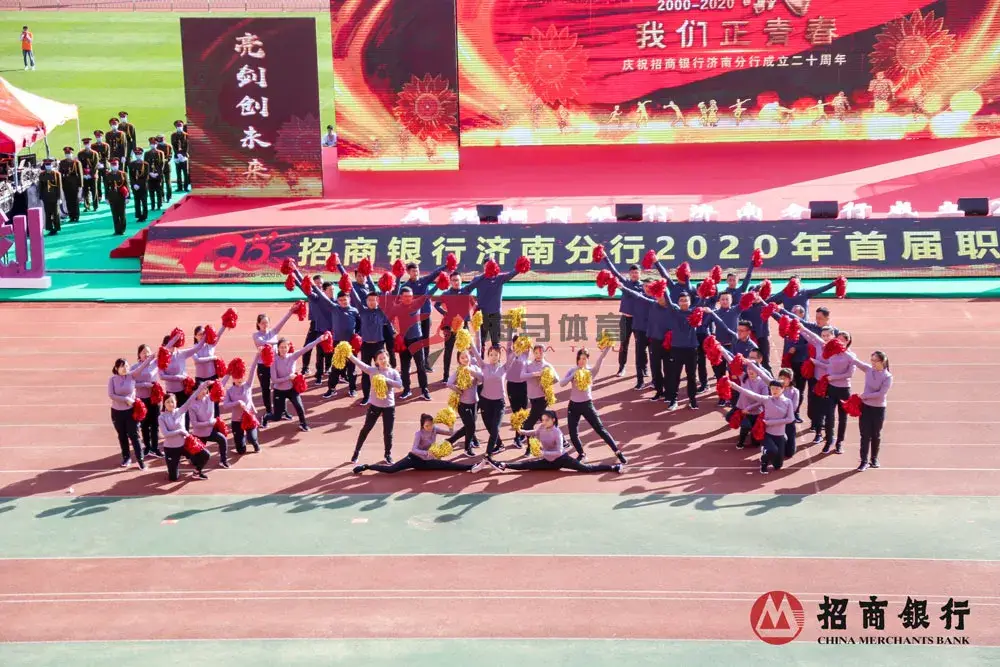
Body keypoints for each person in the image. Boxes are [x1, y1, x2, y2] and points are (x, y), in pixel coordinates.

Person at [353, 414, 489, 474]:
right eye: (427, 425)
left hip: (428, 461)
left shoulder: (435, 429)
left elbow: (450, 434)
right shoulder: (418, 434)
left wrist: (450, 424)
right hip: (414, 459)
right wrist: (426, 452)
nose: (430, 427)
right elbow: (414, 449)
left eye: (431, 424)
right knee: (391, 470)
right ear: (422, 425)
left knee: (448, 465)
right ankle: (367, 466)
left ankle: (472, 466)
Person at [560, 347, 627, 463]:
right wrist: (573, 375)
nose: (581, 361)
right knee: (572, 433)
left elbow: (601, 358)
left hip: (587, 405)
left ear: (587, 359)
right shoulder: (572, 370)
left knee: (600, 429)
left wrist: (608, 346)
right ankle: (581, 453)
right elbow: (562, 383)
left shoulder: (591, 371)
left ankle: (617, 452)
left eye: (584, 359)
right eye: (580, 358)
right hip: (573, 406)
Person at [500, 411, 624, 473]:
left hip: (562, 459)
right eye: (543, 420)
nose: (544, 422)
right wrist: (521, 431)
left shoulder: (557, 432)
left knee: (586, 469)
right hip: (548, 461)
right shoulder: (542, 427)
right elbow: (535, 432)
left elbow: (559, 451)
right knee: (528, 465)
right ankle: (505, 465)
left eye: (547, 420)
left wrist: (543, 453)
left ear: (553, 420)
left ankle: (613, 467)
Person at [617, 280, 673, 400]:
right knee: (645, 359)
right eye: (645, 286)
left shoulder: (665, 304)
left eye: (649, 286)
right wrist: (622, 287)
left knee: (664, 365)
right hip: (644, 333)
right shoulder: (646, 300)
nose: (647, 288)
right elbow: (634, 294)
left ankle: (664, 388)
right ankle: (644, 383)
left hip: (660, 337)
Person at [728, 379, 796, 474]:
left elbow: (790, 419)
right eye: (772, 388)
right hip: (767, 433)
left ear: (783, 389)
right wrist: (734, 385)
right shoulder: (766, 399)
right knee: (772, 450)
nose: (774, 391)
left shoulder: (788, 402)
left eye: (777, 388)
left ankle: (767, 451)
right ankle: (764, 463)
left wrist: (771, 422)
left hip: (780, 435)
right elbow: (750, 393)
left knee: (778, 465)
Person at [599, 255, 648, 386]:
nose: (634, 274)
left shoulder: (644, 287)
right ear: (629, 274)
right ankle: (621, 367)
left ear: (640, 273)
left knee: (641, 346)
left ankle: (644, 367)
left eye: (636, 272)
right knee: (623, 344)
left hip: (638, 321)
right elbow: (614, 271)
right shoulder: (625, 282)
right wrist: (605, 257)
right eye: (632, 272)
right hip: (625, 319)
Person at [348, 349, 403, 463]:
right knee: (366, 429)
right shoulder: (372, 370)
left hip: (389, 406)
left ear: (388, 358)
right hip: (374, 406)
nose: (383, 360)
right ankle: (357, 451)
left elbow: (399, 385)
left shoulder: (393, 372)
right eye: (380, 359)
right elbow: (360, 364)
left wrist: (385, 379)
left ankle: (388, 454)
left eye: (384, 358)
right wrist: (350, 355)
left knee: (388, 433)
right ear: (376, 361)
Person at [469, 334, 518, 458]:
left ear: (499, 356)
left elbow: (513, 355)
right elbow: (476, 353)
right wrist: (470, 341)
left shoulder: (504, 368)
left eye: (496, 355)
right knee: (490, 427)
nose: (494, 357)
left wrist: (517, 346)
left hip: (499, 403)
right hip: (485, 401)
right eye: (491, 354)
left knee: (495, 427)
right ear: (488, 356)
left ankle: (488, 453)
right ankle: (500, 444)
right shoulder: (483, 366)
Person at [397, 261, 447, 373]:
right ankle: (407, 364)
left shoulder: (424, 280)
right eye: (413, 271)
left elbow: (435, 273)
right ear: (408, 272)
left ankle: (425, 364)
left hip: (425, 315)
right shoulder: (404, 287)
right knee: (410, 340)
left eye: (417, 270)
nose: (416, 273)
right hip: (411, 318)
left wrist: (446, 265)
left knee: (425, 340)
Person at [350, 282, 395, 405]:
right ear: (366, 301)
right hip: (365, 346)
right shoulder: (362, 310)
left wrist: (389, 287)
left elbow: (388, 299)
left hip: (378, 346)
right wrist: (346, 277)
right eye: (369, 300)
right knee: (366, 372)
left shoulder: (381, 311)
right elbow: (354, 295)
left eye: (374, 300)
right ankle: (366, 396)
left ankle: (382, 394)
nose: (371, 302)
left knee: (382, 371)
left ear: (377, 301)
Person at [265, 336, 323, 431]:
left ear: (288, 347)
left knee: (299, 407)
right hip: (279, 391)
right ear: (278, 348)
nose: (283, 349)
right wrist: (289, 377)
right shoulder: (274, 361)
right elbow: (274, 380)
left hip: (292, 389)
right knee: (277, 417)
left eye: (285, 347)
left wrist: (319, 339)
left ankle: (303, 424)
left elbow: (307, 348)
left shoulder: (292, 356)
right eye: (281, 347)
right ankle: (266, 417)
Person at [460, 259, 521, 347]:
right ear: (483, 267)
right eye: (487, 266)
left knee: (496, 343)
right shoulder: (478, 279)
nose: (489, 267)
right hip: (482, 315)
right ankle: (480, 355)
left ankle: (496, 355)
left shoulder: (500, 278)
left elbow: (512, 273)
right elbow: (465, 291)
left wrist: (520, 266)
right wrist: (473, 303)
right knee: (481, 342)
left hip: (495, 314)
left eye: (491, 265)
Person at [108, 356, 154, 469]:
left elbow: (142, 366)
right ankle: (126, 457)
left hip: (130, 412)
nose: (125, 368)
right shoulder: (112, 379)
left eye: (127, 366)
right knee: (122, 435)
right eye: (122, 366)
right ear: (116, 368)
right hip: (117, 412)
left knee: (134, 435)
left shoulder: (132, 375)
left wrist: (151, 357)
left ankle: (140, 460)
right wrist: (125, 399)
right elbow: (111, 395)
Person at [850, 350, 893, 471]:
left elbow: (881, 394)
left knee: (875, 434)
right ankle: (863, 461)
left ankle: (874, 458)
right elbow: (856, 362)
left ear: (882, 361)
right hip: (865, 407)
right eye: (872, 360)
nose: (873, 363)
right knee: (864, 435)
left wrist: (864, 396)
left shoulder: (887, 377)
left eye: (875, 361)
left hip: (878, 409)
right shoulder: (869, 370)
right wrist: (843, 350)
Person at [252, 306, 295, 419]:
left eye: (267, 322)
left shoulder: (273, 332)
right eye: (262, 323)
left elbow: (282, 322)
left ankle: (283, 411)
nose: (265, 325)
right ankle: (268, 410)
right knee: (266, 389)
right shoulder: (256, 335)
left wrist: (290, 312)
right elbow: (265, 343)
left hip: (275, 364)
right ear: (258, 324)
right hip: (263, 366)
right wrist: (280, 343)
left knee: (281, 386)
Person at [159, 390, 211, 481]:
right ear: (164, 404)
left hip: (184, 445)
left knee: (205, 454)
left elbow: (192, 398)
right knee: (173, 478)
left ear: (176, 402)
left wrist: (204, 385)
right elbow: (166, 434)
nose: (170, 404)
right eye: (167, 402)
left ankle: (197, 472)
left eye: (172, 401)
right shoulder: (161, 417)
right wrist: (180, 431)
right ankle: (172, 468)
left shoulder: (181, 411)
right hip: (171, 449)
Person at [433, 272, 472, 383]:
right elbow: (436, 305)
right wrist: (445, 313)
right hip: (450, 327)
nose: (456, 282)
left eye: (457, 280)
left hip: (463, 327)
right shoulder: (446, 294)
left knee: (464, 352)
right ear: (450, 281)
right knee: (448, 351)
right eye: (454, 280)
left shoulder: (465, 292)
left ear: (461, 280)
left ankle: (464, 374)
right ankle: (445, 376)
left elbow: (473, 304)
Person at [396, 287, 433, 400]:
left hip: (417, 341)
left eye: (410, 296)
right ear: (401, 297)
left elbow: (428, 293)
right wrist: (394, 334)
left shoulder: (417, 304)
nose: (408, 298)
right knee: (404, 368)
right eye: (406, 296)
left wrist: (440, 281)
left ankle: (424, 390)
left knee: (421, 367)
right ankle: (406, 390)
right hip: (404, 341)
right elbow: (389, 320)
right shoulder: (397, 308)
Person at [446, 348, 484, 456]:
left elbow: (482, 379)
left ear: (470, 357)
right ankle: (467, 448)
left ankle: (450, 440)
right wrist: (458, 390)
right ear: (458, 359)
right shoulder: (458, 371)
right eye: (462, 357)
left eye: (466, 357)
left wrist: (471, 371)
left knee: (469, 426)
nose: (465, 359)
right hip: (463, 404)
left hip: (474, 403)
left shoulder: (474, 368)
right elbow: (449, 383)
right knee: (471, 426)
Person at [222, 355, 262, 455]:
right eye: (236, 377)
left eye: (241, 377)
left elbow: (253, 369)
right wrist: (237, 402)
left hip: (249, 418)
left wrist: (258, 355)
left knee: (251, 438)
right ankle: (241, 441)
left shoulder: (248, 385)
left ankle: (255, 443)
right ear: (233, 378)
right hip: (236, 420)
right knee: (240, 450)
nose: (239, 379)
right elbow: (225, 405)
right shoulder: (229, 391)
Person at [188, 379, 231, 468]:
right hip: (199, 434)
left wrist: (215, 382)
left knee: (222, 439)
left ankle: (223, 461)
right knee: (195, 461)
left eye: (205, 388)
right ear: (195, 391)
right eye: (201, 389)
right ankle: (191, 456)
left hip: (210, 431)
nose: (204, 391)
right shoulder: (192, 405)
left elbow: (221, 384)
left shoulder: (210, 398)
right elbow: (195, 424)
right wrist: (209, 423)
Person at [132, 344, 164, 459]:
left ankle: (155, 448)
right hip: (142, 400)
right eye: (144, 352)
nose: (146, 354)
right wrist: (145, 385)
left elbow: (164, 352)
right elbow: (132, 383)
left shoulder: (155, 363)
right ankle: (147, 447)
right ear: (139, 355)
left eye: (148, 352)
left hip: (154, 399)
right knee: (144, 425)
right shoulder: (135, 367)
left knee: (155, 424)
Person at [520, 344, 557, 434]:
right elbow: (522, 376)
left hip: (542, 398)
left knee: (528, 424)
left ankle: (531, 444)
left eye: (540, 353)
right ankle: (560, 439)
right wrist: (536, 374)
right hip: (532, 397)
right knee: (546, 420)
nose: (538, 355)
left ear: (544, 353)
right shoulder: (528, 364)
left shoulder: (547, 366)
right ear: (533, 353)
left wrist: (546, 382)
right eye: (536, 353)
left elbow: (556, 379)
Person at [767, 276, 838, 314]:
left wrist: (833, 284)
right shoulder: (783, 294)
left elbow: (819, 290)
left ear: (800, 284)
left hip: (804, 324)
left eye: (797, 283)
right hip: (789, 324)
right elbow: (768, 302)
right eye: (793, 283)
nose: (795, 285)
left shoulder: (805, 292)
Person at [300, 274, 325, 379]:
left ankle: (325, 369)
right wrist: (294, 271)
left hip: (325, 324)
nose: (319, 285)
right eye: (317, 283)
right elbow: (301, 283)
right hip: (314, 323)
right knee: (307, 346)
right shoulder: (310, 293)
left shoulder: (325, 294)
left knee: (323, 349)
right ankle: (305, 367)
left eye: (321, 283)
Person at [37, 158, 62, 236]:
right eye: (47, 165)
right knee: (47, 213)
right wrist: (40, 197)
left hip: (54, 196)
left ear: (52, 165)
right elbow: (40, 186)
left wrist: (59, 197)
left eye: (49, 164)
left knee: (55, 213)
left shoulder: (56, 174)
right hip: (46, 197)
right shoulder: (42, 175)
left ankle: (56, 228)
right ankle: (50, 228)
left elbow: (59, 186)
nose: (48, 166)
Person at [58, 146, 82, 222]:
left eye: (69, 153)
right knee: (68, 201)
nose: (68, 155)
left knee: (75, 201)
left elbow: (80, 175)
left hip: (74, 184)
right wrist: (61, 185)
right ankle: (71, 216)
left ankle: (76, 216)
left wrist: (80, 186)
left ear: (72, 154)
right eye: (66, 154)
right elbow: (60, 174)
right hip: (66, 185)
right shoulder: (62, 163)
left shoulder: (76, 163)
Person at [104, 159, 129, 235]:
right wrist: (106, 198)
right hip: (112, 196)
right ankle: (117, 230)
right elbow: (106, 187)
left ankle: (122, 230)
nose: (114, 166)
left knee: (122, 214)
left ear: (118, 165)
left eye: (115, 165)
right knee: (115, 215)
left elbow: (127, 186)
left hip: (121, 196)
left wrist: (127, 197)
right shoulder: (108, 175)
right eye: (112, 165)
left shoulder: (123, 174)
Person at [144, 136, 166, 212]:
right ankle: (152, 205)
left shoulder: (160, 153)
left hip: (158, 175)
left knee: (159, 191)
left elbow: (162, 164)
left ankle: (159, 204)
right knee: (151, 191)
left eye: (154, 144)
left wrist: (157, 173)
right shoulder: (146, 153)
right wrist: (149, 173)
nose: (153, 145)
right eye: (151, 144)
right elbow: (145, 164)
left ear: (157, 144)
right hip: (150, 175)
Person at [77, 138, 100, 212]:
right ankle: (87, 206)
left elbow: (95, 165)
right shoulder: (80, 154)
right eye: (85, 144)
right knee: (85, 191)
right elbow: (79, 165)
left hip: (93, 175)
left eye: (88, 143)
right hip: (84, 175)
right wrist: (83, 174)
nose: (87, 145)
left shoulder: (94, 153)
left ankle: (95, 206)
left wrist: (91, 174)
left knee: (94, 191)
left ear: (90, 144)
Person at [127, 148, 149, 223]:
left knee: (144, 201)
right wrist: (134, 184)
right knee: (137, 202)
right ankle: (138, 215)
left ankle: (144, 216)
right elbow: (131, 176)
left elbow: (146, 176)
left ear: (142, 154)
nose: (138, 155)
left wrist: (139, 184)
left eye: (139, 154)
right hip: (135, 186)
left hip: (143, 186)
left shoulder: (145, 164)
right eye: (136, 154)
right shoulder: (132, 164)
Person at [170, 120, 190, 192]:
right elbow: (173, 145)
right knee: (178, 173)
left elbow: (188, 146)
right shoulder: (173, 135)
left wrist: (184, 154)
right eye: (178, 126)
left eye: (180, 125)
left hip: (184, 156)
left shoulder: (186, 135)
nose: (179, 127)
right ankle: (179, 187)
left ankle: (186, 187)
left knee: (185, 172)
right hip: (177, 156)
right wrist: (177, 154)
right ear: (175, 127)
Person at [92, 131, 110, 203]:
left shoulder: (106, 145)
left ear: (102, 137)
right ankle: (99, 196)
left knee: (106, 182)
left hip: (105, 165)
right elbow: (93, 157)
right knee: (98, 182)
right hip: (97, 166)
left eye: (99, 136)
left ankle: (107, 196)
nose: (98, 138)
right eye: (97, 137)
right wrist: (97, 163)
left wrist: (102, 163)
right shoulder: (93, 146)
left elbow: (108, 156)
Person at [155, 134, 173, 202]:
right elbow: (170, 156)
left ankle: (167, 196)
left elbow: (169, 156)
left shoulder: (165, 146)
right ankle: (165, 196)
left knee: (166, 182)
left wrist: (163, 161)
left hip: (163, 167)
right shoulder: (166, 146)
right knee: (162, 182)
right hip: (162, 167)